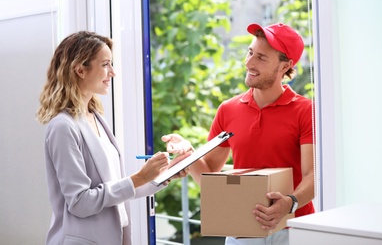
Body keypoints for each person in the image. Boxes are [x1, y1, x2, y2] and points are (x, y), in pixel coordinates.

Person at [162, 23, 315, 245]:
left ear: (285, 66)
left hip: (294, 229)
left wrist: (289, 203)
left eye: (262, 58)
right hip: (242, 231)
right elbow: (209, 177)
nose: (249, 63)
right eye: (250, 52)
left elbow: (313, 176)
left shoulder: (305, 111)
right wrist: (189, 153)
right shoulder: (228, 109)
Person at [36, 31, 191, 245]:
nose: (113, 72)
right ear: (80, 69)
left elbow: (115, 191)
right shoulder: (63, 127)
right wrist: (138, 177)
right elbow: (80, 202)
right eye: (106, 64)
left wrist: (167, 174)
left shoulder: (96, 118)